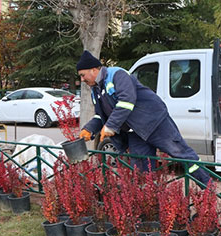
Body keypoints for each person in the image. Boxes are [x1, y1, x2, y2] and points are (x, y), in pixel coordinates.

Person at [75, 50, 211, 185]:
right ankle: (149, 199)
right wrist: (89, 129)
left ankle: (208, 188)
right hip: (135, 132)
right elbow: (101, 115)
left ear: (93, 70)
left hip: (154, 122)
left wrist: (111, 126)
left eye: (82, 75)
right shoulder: (96, 90)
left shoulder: (117, 75)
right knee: (141, 168)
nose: (82, 79)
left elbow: (126, 102)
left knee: (180, 153)